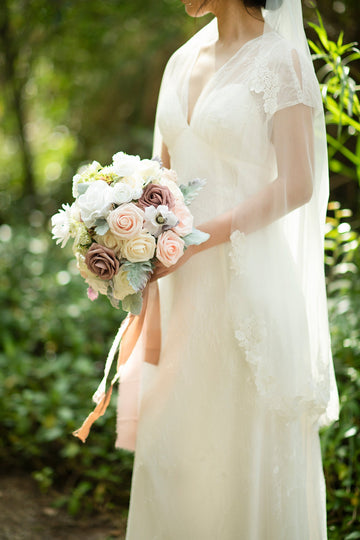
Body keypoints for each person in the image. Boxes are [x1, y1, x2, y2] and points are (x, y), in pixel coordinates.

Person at [120, 0, 339, 538]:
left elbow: (297, 184)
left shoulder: (279, 61)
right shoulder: (179, 61)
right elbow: (159, 181)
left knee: (240, 448)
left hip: (247, 286)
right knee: (177, 450)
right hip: (179, 287)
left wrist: (199, 239)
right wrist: (128, 241)